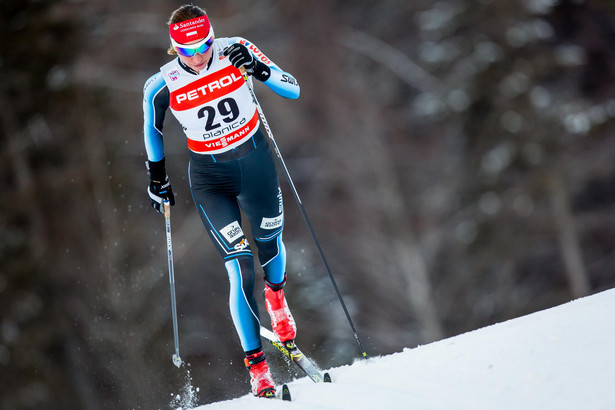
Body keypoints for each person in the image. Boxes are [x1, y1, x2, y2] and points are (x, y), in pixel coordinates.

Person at [142, 4, 300, 398]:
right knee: (239, 268)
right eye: (187, 50)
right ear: (173, 48)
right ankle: (259, 367)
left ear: (213, 37)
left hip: (256, 164)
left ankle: (276, 294)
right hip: (210, 179)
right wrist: (156, 176)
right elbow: (152, 128)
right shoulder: (161, 84)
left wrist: (260, 71)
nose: (198, 57)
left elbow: (292, 88)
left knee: (270, 246)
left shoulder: (237, 50)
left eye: (204, 46)